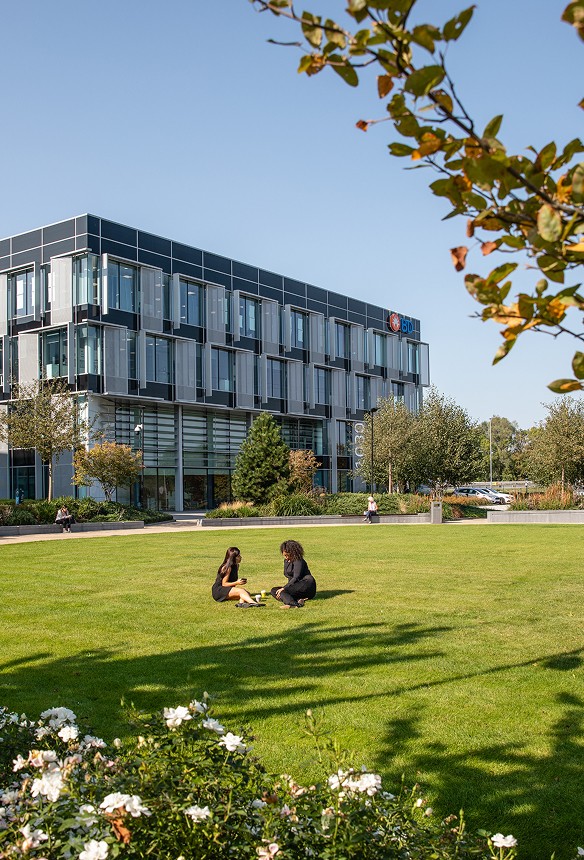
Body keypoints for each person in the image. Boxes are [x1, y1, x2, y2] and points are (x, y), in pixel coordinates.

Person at [271, 540, 317, 608]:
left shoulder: (299, 560)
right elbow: (290, 578)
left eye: (288, 555)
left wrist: (284, 588)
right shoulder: (286, 561)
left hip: (306, 585)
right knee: (274, 591)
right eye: (284, 555)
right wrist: (284, 589)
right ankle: (295, 602)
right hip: (295, 586)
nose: (286, 557)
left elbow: (296, 577)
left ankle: (294, 604)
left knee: (283, 591)